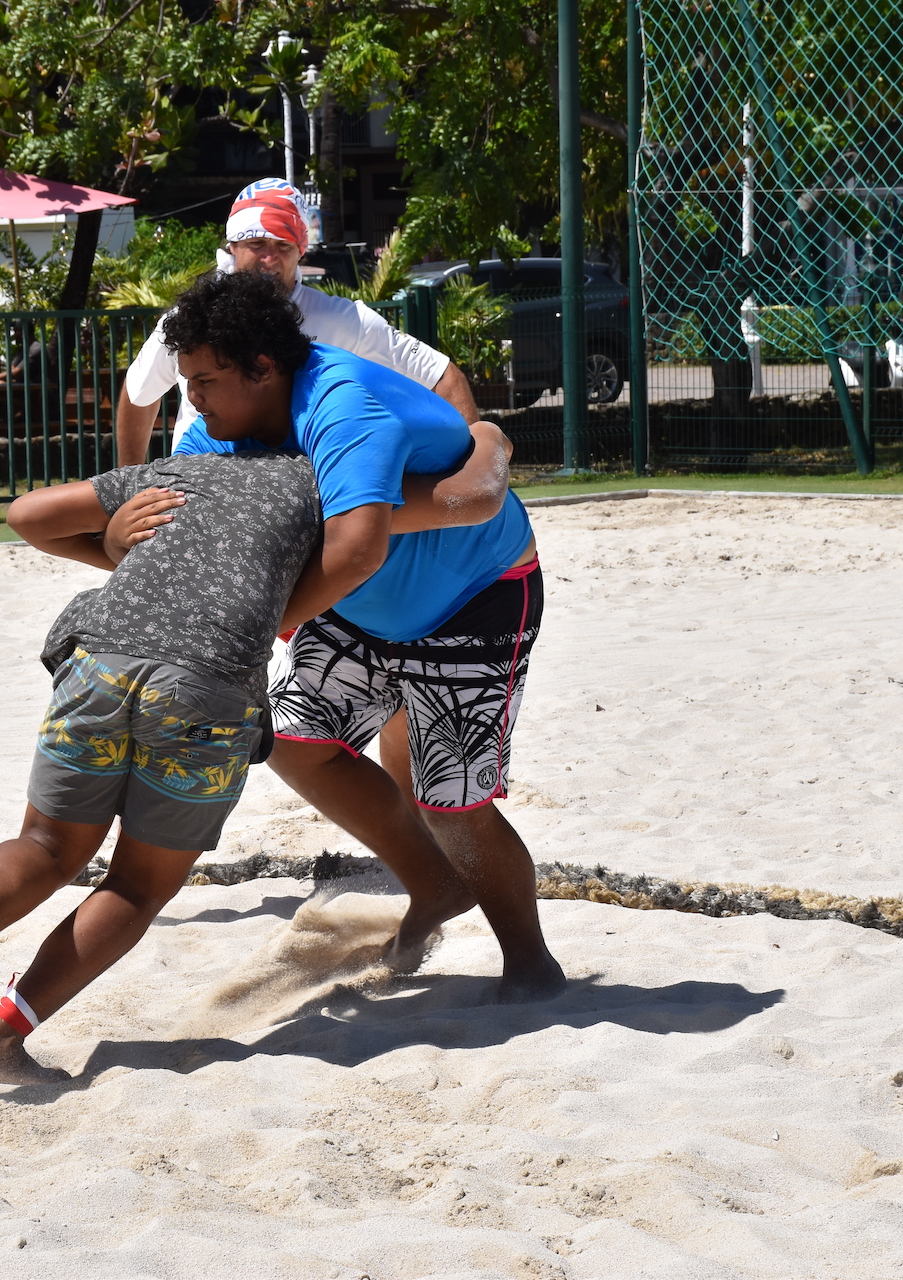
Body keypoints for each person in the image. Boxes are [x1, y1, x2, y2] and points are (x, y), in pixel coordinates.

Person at [0, 370, 514, 1082]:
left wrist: (119, 547)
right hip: (203, 685)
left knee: (45, 845)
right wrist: (489, 438)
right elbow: (451, 508)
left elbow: (28, 515)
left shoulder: (181, 469)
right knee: (136, 887)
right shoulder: (326, 482)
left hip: (99, 661)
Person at [111, 270, 566, 1003]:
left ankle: (531, 964)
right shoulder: (216, 429)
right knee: (290, 737)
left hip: (472, 596)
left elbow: (357, 549)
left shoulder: (342, 403)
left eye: (203, 381)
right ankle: (433, 882)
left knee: (449, 799)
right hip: (360, 605)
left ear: (263, 369)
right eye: (185, 381)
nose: (189, 399)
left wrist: (266, 619)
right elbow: (204, 532)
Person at [114, 178, 479, 469]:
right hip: (200, 482)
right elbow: (138, 392)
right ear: (231, 246)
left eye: (284, 245)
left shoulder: (343, 319)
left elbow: (443, 376)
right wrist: (130, 483)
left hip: (298, 504)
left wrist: (477, 470)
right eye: (256, 243)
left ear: (301, 251)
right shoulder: (190, 320)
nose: (270, 257)